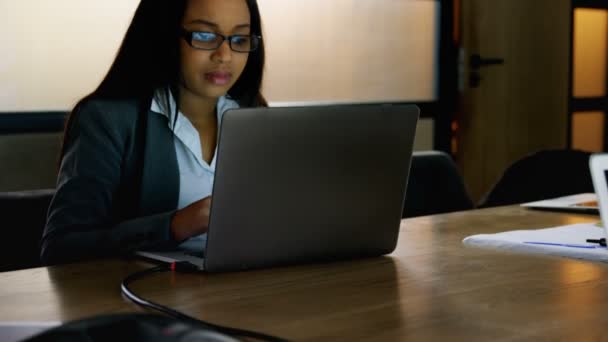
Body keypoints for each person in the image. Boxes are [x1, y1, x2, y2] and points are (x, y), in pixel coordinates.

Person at [40, 0, 266, 264]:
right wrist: (175, 225)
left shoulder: (254, 114)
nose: (225, 56)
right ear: (166, 35)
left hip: (246, 287)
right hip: (146, 294)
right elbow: (61, 246)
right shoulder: (109, 119)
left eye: (239, 39)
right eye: (205, 35)